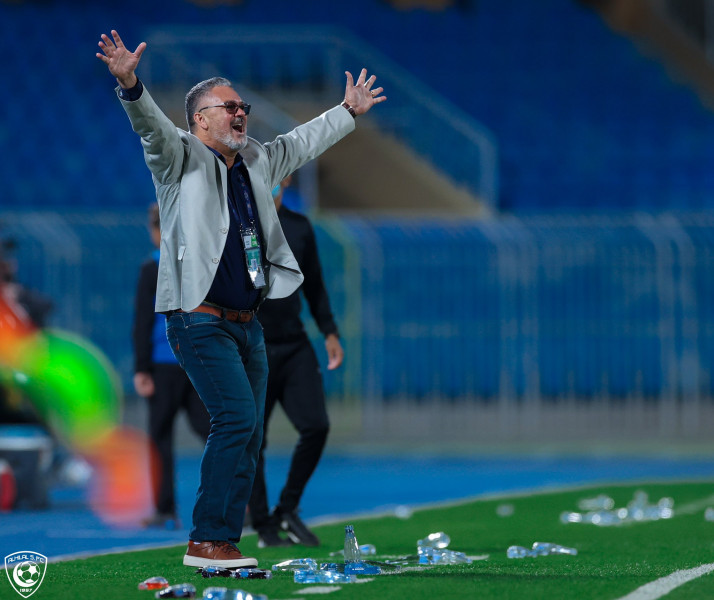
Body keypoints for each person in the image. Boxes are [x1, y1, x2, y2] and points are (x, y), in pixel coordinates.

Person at [96, 29, 385, 568]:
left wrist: (347, 110)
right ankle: (205, 540)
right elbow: (151, 128)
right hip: (197, 318)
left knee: (249, 430)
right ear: (200, 119)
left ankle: (224, 540)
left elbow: (300, 142)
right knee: (235, 419)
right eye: (228, 107)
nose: (240, 114)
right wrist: (131, 84)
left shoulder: (255, 159)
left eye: (242, 106)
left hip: (247, 321)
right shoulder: (177, 157)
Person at [248, 176, 344, 548]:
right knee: (253, 439)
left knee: (316, 425)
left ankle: (287, 509)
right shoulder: (240, 222)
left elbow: (315, 284)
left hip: (294, 344)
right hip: (252, 345)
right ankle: (263, 526)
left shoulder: (300, 226)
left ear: (286, 177)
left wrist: (330, 331)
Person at [133, 203, 211, 529]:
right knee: (213, 430)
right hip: (195, 359)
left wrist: (141, 368)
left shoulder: (151, 268)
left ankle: (165, 510)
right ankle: (240, 499)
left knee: (160, 438)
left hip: (164, 363)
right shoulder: (199, 263)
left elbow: (142, 322)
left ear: (156, 231)